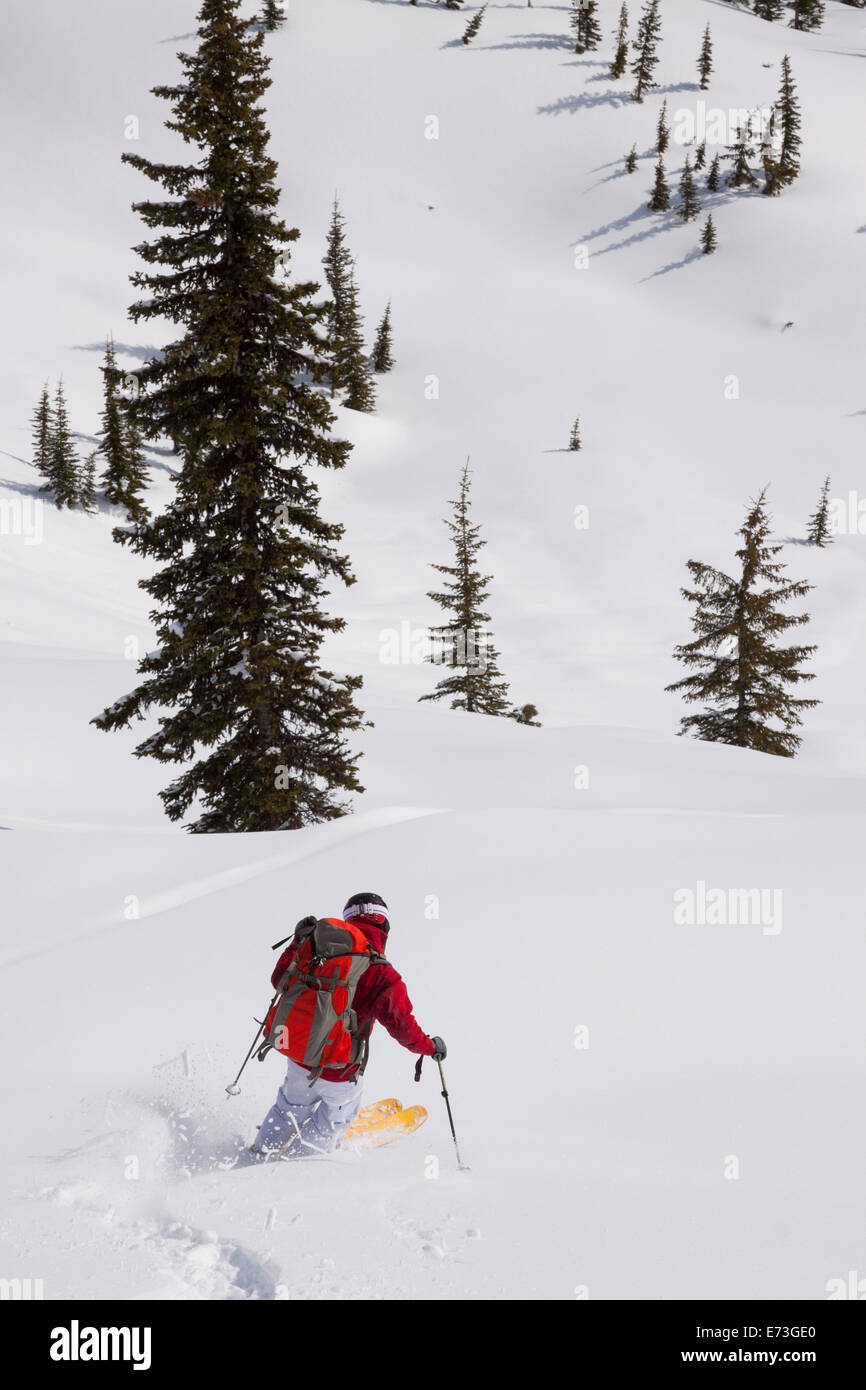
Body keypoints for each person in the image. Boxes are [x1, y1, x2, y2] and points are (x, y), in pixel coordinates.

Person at [250, 892, 445, 1159]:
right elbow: (403, 1028)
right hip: (340, 1072)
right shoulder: (383, 974)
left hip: (298, 1053)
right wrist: (430, 1047)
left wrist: (297, 943)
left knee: (288, 1109)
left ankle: (259, 1154)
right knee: (331, 1123)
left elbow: (279, 980)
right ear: (384, 927)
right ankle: (295, 1165)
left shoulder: (318, 952)